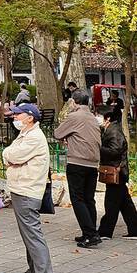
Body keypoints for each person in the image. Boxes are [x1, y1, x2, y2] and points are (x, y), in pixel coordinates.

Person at [3, 104, 54, 273]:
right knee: (28, 235)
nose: (14, 117)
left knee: (33, 236)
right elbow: (11, 154)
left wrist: (8, 155)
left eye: (18, 114)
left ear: (30, 117)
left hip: (27, 191)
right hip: (21, 189)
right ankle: (34, 271)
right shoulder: (26, 133)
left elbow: (12, 155)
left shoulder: (33, 137)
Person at [54, 90, 103, 248]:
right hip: (93, 163)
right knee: (89, 199)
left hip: (77, 162)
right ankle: (90, 231)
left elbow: (57, 133)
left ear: (74, 102)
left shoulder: (74, 116)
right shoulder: (93, 118)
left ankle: (90, 234)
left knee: (78, 199)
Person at [98, 106, 137, 240]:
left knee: (111, 203)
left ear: (107, 118)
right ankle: (134, 229)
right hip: (118, 171)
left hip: (117, 172)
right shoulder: (109, 129)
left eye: (98, 115)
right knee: (125, 204)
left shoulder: (114, 131)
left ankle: (105, 232)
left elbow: (115, 150)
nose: (96, 117)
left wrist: (99, 148)